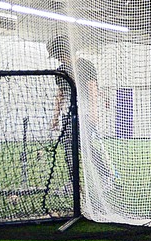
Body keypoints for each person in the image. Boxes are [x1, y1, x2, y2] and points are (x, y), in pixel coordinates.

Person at [48, 36, 116, 191]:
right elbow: (61, 94)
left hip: (85, 113)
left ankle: (106, 175)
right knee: (67, 147)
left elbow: (92, 89)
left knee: (85, 148)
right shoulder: (60, 71)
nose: (60, 58)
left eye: (60, 55)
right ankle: (74, 183)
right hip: (69, 114)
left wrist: (94, 113)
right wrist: (56, 117)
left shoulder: (85, 65)